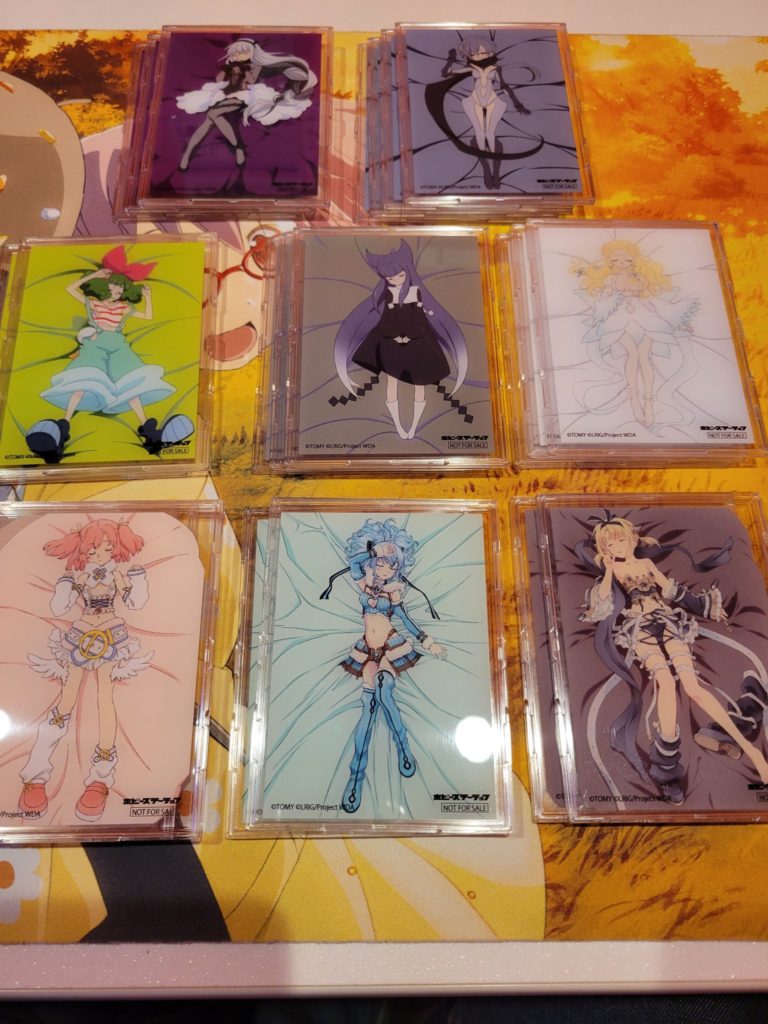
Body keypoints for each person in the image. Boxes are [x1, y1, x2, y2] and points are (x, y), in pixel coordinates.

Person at [580, 513, 768, 803]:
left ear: (631, 538)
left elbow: (672, 590)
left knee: (693, 688)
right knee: (665, 683)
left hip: (669, 622)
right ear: (605, 549)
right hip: (639, 628)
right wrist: (607, 569)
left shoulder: (646, 564)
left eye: (620, 539)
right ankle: (667, 765)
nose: (618, 546)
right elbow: (602, 601)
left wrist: (704, 607)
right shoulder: (613, 570)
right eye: (610, 544)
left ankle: (752, 751)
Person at [19, 519, 152, 823]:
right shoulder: (79, 576)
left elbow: (135, 602)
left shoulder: (117, 575)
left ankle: (100, 777)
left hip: (111, 635)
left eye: (106, 548)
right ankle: (36, 773)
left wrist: (138, 581)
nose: (100, 554)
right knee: (65, 702)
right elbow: (59, 608)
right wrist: (66, 585)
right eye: (93, 549)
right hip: (81, 636)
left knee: (105, 700)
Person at [320, 519, 446, 813]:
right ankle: (355, 780)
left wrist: (428, 642)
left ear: (398, 566)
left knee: (383, 687)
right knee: (368, 710)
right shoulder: (365, 584)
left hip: (390, 645)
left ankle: (402, 749)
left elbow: (406, 620)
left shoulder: (395, 592)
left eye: (391, 563)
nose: (384, 568)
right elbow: (354, 563)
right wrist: (372, 549)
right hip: (367, 650)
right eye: (380, 562)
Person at [25, 245, 193, 462]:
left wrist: (148, 296)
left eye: (120, 291)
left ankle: (151, 432)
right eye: (112, 288)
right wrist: (94, 275)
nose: (116, 293)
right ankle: (61, 428)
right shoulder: (94, 304)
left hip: (118, 345)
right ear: (104, 286)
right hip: (96, 344)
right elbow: (70, 289)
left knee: (132, 383)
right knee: (83, 380)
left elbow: (148, 316)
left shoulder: (123, 308)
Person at [331, 240, 470, 440]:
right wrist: (394, 335)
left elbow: (418, 319)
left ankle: (412, 427)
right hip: (392, 343)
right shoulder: (388, 295)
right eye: (390, 278)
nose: (396, 280)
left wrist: (409, 335)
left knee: (420, 383)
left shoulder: (415, 293)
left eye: (400, 275)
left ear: (408, 272)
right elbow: (388, 319)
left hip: (417, 341)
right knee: (392, 382)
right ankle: (399, 426)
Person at [571, 241, 699, 428]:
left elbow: (654, 299)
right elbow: (603, 301)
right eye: (616, 259)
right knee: (633, 353)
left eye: (626, 258)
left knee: (644, 355)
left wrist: (676, 321)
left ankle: (649, 401)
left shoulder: (640, 278)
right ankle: (634, 400)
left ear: (634, 259)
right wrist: (604, 291)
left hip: (644, 316)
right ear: (609, 261)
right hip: (619, 319)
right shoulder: (609, 279)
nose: (621, 262)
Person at [176, 38, 317, 173]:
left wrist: (244, 71)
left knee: (213, 113)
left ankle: (193, 154)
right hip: (226, 92)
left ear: (253, 52)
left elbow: (251, 81)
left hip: (244, 95)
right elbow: (219, 79)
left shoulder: (254, 65)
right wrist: (226, 70)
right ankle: (198, 152)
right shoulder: (230, 66)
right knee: (209, 119)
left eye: (243, 52)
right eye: (235, 53)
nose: (238, 55)